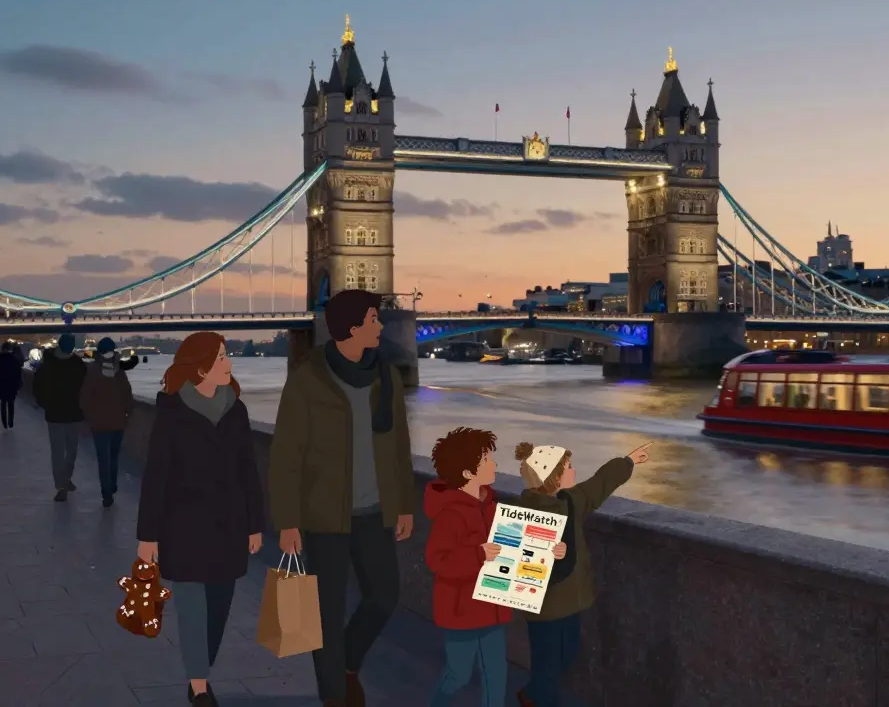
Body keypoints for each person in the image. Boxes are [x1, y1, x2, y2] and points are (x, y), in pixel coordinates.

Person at [268, 288, 416, 707]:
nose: (380, 326)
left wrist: (403, 502)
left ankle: (347, 662)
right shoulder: (308, 380)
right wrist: (288, 521)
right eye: (372, 319)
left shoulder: (385, 375)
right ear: (351, 328)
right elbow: (286, 456)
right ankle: (335, 695)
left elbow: (398, 446)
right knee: (325, 616)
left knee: (384, 596)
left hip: (374, 511)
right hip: (323, 516)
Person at [136, 331, 264, 707]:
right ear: (200, 366)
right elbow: (156, 475)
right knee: (192, 606)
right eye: (221, 358)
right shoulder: (172, 411)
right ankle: (199, 686)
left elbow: (248, 470)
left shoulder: (236, 410)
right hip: (184, 524)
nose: (228, 364)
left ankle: (199, 666)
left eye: (226, 357)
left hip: (229, 523)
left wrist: (255, 522)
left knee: (219, 606)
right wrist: (148, 535)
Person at [513, 440, 652, 707]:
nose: (574, 472)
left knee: (566, 656)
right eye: (568, 468)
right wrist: (547, 554)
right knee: (548, 666)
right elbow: (517, 556)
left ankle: (531, 694)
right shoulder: (525, 510)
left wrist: (628, 461)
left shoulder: (571, 501)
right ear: (553, 478)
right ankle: (537, 699)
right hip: (546, 606)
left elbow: (598, 485)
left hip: (572, 603)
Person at [425, 427, 537, 707]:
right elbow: (438, 560)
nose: (494, 464)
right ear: (467, 473)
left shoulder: (491, 504)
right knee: (458, 674)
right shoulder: (451, 514)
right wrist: (477, 555)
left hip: (492, 605)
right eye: (487, 459)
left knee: (496, 674)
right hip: (461, 612)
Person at [80, 337, 136, 506]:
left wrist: (88, 418)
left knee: (103, 458)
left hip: (99, 423)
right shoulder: (119, 372)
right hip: (118, 422)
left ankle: (106, 493)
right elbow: (127, 395)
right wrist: (128, 412)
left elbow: (85, 398)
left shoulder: (92, 372)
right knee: (113, 456)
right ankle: (112, 485)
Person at [32, 333, 88, 501]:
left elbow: (37, 387)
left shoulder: (50, 364)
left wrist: (45, 404)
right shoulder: (77, 364)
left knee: (64, 452)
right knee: (67, 451)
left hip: (61, 414)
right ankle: (62, 484)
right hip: (68, 414)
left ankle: (63, 481)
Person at [0, 340, 24, 429]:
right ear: (10, 349)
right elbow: (18, 372)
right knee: (11, 403)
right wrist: (18, 382)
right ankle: (10, 421)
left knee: (3, 403)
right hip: (12, 384)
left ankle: (4, 422)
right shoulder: (14, 359)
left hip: (1, 384)